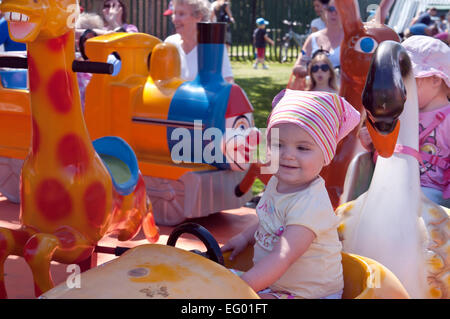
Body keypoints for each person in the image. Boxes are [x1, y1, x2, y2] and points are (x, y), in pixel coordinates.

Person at [222, 89, 360, 299]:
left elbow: (283, 256)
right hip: (274, 282)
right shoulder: (277, 182)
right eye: (278, 145)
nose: (287, 155)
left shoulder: (310, 204)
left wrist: (240, 289)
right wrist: (244, 237)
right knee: (214, 277)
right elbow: (271, 221)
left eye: (303, 148)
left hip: (309, 294)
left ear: (326, 156)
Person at [359, 36, 450, 208]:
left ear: (436, 80)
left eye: (407, 81)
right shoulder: (400, 111)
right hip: (392, 180)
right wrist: (371, 142)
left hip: (432, 191)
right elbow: (386, 148)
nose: (400, 87)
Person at [164, 0, 234, 83]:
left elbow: (228, 81)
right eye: (174, 14)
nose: (175, 19)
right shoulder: (170, 43)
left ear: (198, 17)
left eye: (181, 14)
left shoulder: (213, 47)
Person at [291, 0, 343, 80]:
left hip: (343, 90)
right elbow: (297, 67)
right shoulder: (313, 38)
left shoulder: (352, 39)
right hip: (317, 91)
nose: (334, 13)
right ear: (324, 11)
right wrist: (314, 70)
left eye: (339, 9)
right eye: (330, 9)